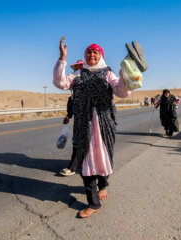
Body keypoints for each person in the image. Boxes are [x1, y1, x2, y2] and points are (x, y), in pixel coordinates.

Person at [53, 36, 130, 218]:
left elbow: (121, 91)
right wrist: (62, 58)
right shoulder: (78, 74)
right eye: (88, 52)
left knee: (103, 157)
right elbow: (60, 83)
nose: (92, 54)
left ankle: (103, 184)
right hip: (83, 124)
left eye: (95, 52)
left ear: (101, 56)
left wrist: (126, 75)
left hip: (103, 124)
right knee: (85, 160)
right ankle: (93, 203)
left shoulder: (108, 73)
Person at [59, 60, 83, 176]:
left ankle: (74, 167)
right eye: (76, 67)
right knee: (77, 141)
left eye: (79, 66)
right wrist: (68, 115)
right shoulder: (74, 81)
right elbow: (72, 100)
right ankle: (75, 166)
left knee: (81, 142)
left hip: (90, 118)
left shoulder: (88, 78)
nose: (77, 69)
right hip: (79, 118)